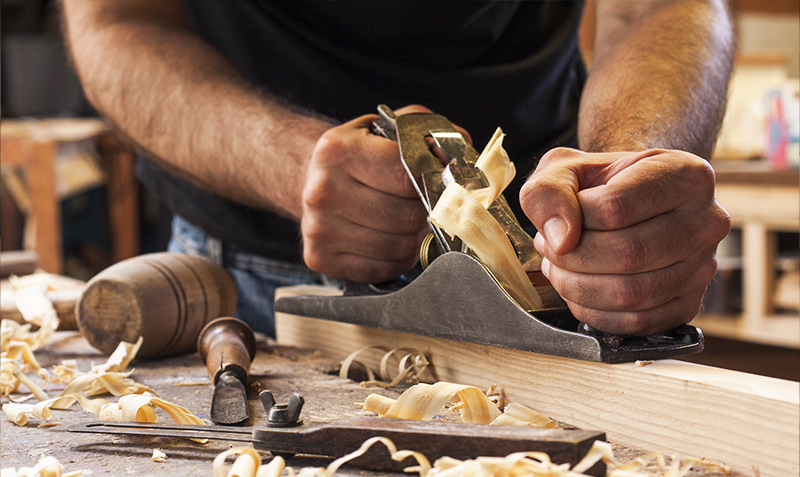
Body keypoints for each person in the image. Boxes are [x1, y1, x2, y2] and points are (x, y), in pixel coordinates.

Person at [61, 0, 734, 338]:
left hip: (560, 274)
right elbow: (116, 21)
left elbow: (659, 9)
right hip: (249, 294)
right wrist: (291, 164)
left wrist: (622, 177)